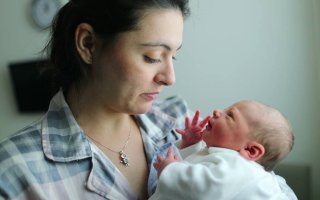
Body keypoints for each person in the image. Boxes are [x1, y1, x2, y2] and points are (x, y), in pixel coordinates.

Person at [0, 0, 191, 199]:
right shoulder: (14, 172)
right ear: (88, 44)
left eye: (173, 57)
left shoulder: (182, 124)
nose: (170, 78)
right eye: (153, 57)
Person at [149, 100, 297, 200]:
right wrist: (190, 144)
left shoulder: (242, 168)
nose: (217, 111)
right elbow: (195, 165)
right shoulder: (220, 154)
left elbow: (203, 188)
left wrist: (171, 169)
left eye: (230, 115)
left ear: (250, 150)